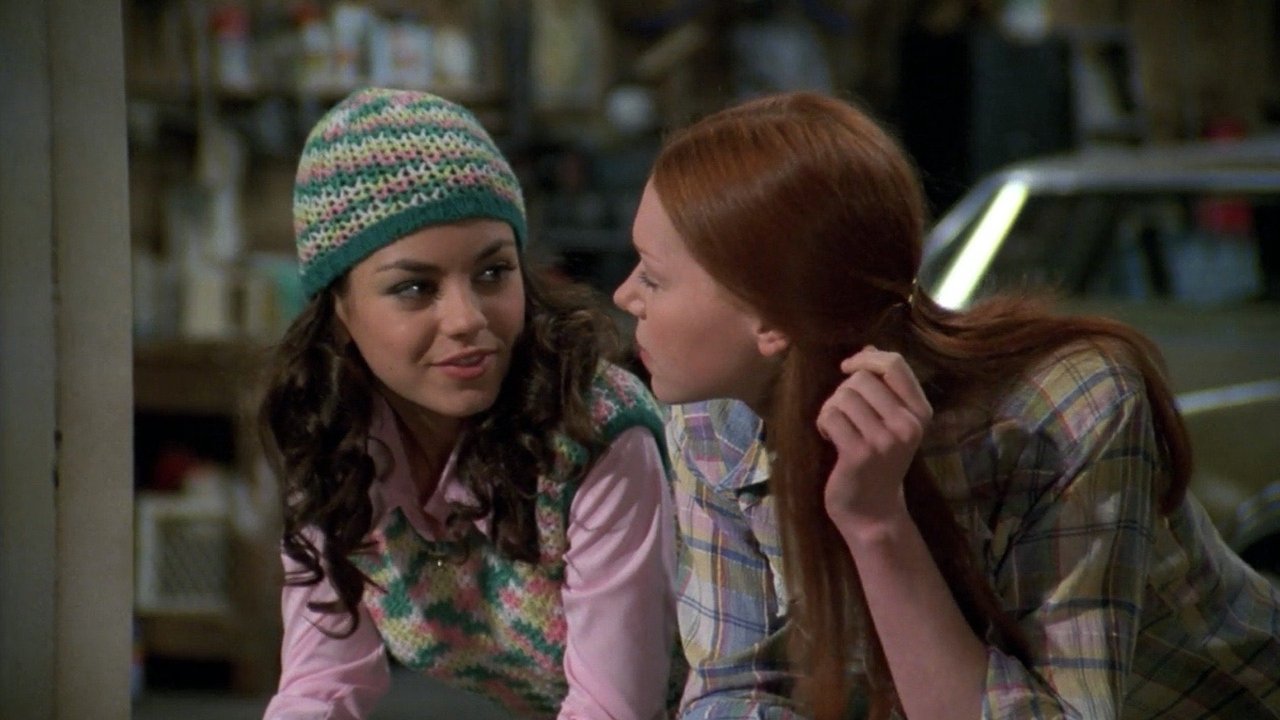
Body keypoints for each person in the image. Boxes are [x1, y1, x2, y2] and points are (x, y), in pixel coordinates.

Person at [612, 90, 1280, 720]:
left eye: (653, 276)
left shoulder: (1064, 409)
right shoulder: (712, 417)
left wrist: (877, 524)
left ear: (770, 320)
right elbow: (736, 688)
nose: (623, 296)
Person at [259, 87, 679, 720]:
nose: (466, 319)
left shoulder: (597, 427)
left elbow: (613, 707)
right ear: (339, 309)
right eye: (414, 287)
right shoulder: (334, 433)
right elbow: (320, 686)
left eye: (492, 273)